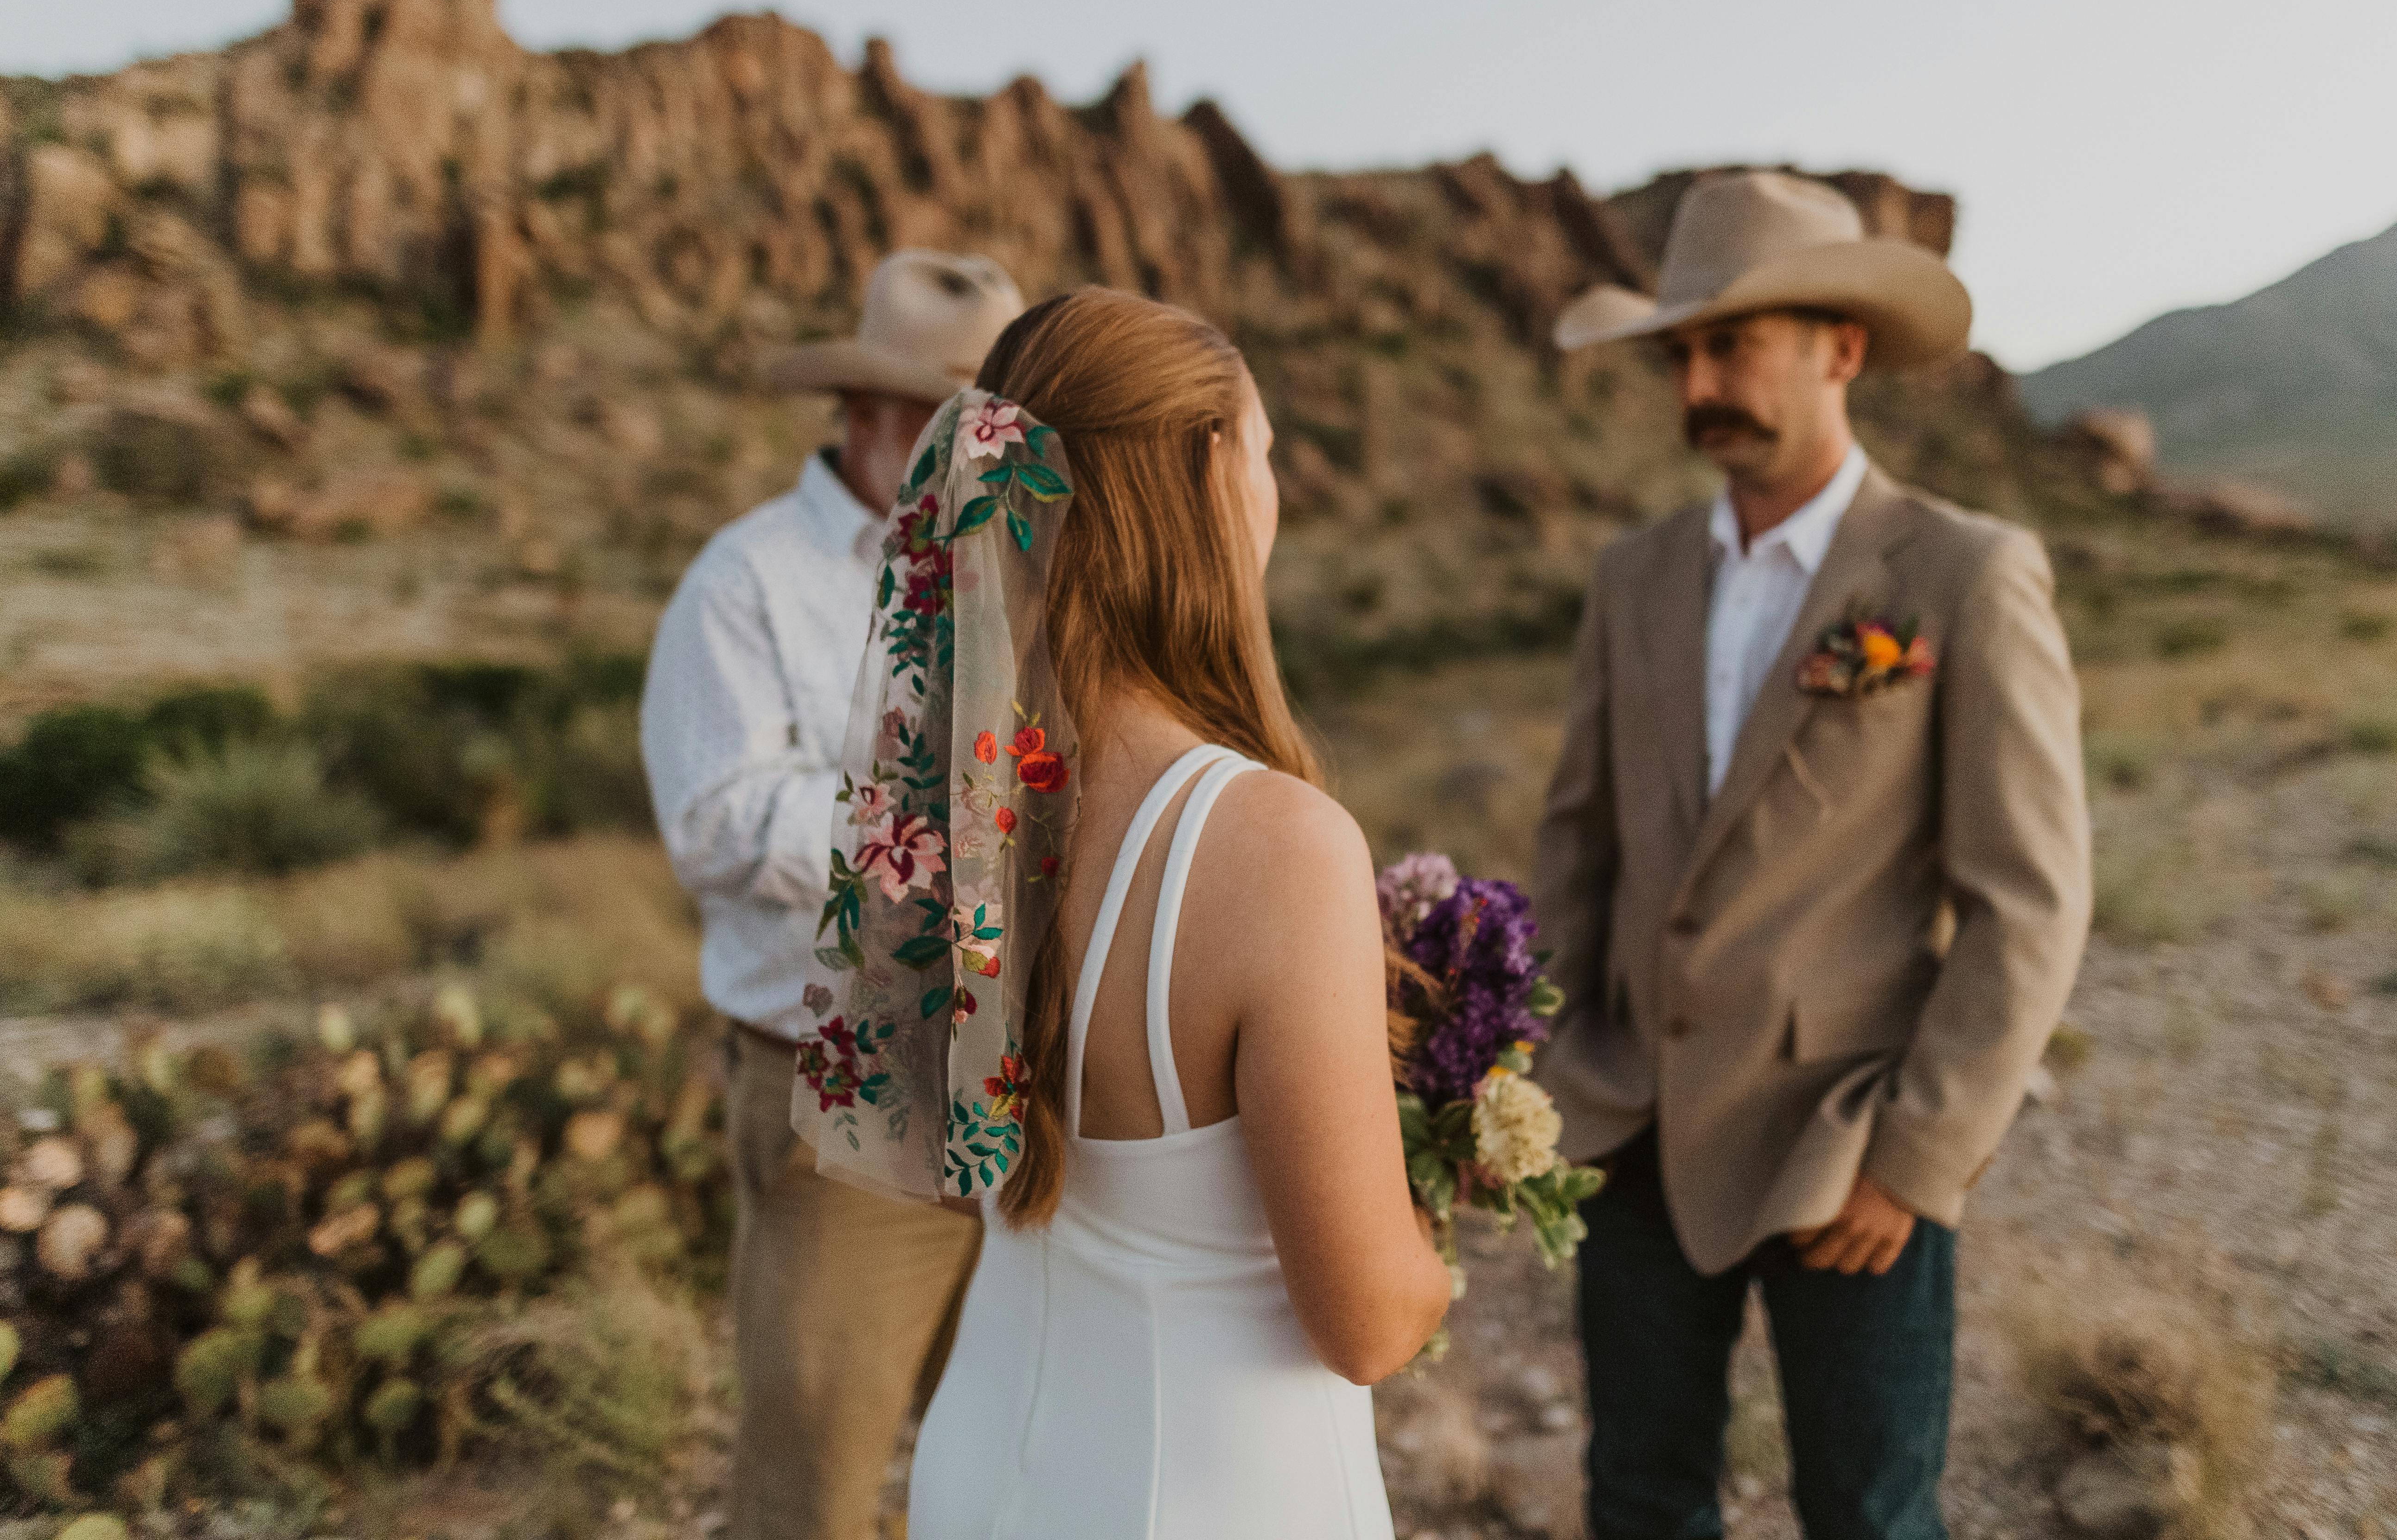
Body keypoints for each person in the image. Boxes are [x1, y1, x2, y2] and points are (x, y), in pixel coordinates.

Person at [789, 288, 1452, 1540]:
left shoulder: (952, 811)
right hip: (1209, 1491)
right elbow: (1368, 1319)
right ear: (1203, 473)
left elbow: (953, 1165)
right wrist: (1431, 1219)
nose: (1276, 494)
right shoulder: (1278, 848)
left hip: (989, 1462)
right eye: (1263, 453)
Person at [1535, 170, 2092, 1540]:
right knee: (1639, 1496)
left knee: (1872, 1512)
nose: (1701, 380)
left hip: (1848, 1147)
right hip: (1634, 1129)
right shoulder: (1635, 576)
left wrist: (1921, 1156)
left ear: (1843, 349)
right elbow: (1577, 839)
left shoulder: (1965, 572)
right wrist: (1553, 1070)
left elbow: (2029, 896)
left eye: (1733, 344)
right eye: (1685, 352)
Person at [640, 248, 1024, 1540]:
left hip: (1034, 1087)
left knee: (1033, 1464)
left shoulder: (1024, 569)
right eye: (942, 419)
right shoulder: (745, 585)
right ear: (862, 414)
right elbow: (719, 822)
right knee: (812, 1492)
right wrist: (950, 842)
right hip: (844, 1084)